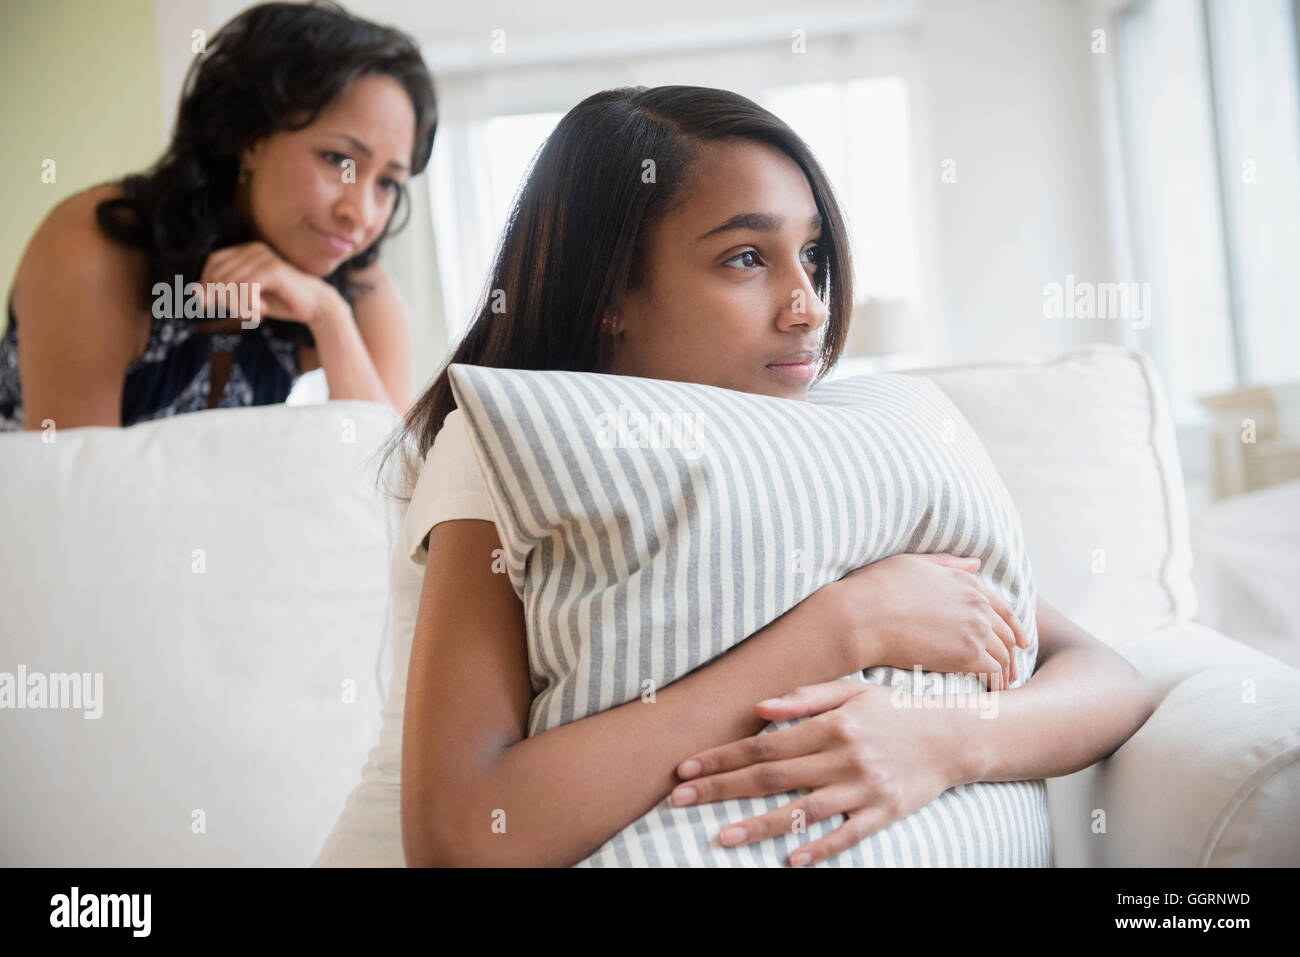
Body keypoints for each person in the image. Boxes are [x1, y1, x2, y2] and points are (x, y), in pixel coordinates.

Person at [392, 86, 1155, 867]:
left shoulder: (840, 448)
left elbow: (1108, 679)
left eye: (813, 254)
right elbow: (463, 836)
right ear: (611, 293)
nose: (808, 306)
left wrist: (944, 740)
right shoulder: (502, 450)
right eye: (747, 257)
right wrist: (844, 626)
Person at [0, 1, 436, 431]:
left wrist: (329, 317)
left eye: (388, 183)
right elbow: (76, 491)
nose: (359, 214)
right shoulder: (98, 248)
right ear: (251, 137)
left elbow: (392, 481)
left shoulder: (358, 290)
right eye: (336, 158)